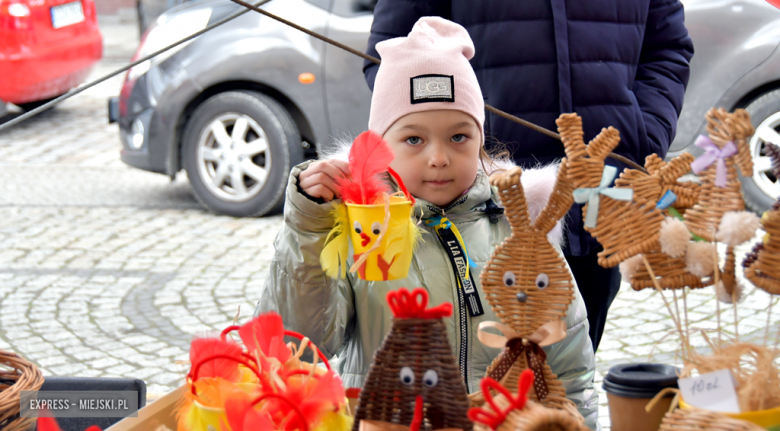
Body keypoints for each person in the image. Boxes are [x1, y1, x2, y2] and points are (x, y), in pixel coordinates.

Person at [256, 17, 600, 428]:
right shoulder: (357, 229)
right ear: (380, 146)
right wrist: (309, 228)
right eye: (414, 139)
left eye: (458, 137)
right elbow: (295, 344)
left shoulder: (521, 227)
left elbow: (570, 365)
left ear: (480, 139)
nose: (438, 158)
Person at [363, 0, 694, 352]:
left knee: (571, 365)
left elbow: (666, 48)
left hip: (599, 195)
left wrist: (642, 135)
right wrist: (460, 134)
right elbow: (388, 58)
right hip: (481, 204)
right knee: (468, 366)